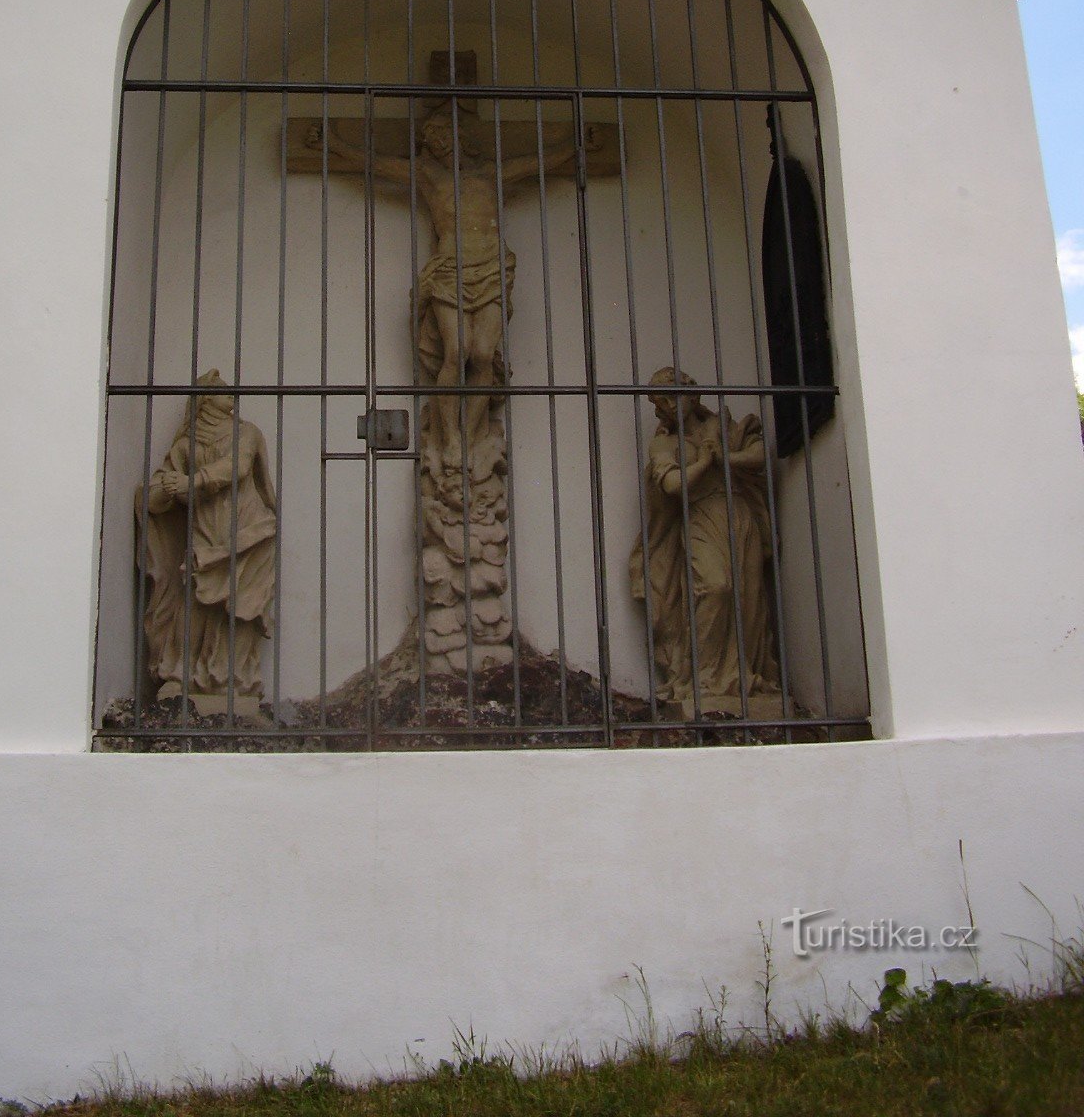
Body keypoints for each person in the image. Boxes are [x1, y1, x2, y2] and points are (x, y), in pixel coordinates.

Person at [309, 105, 593, 472]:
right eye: (432, 139)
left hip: (491, 269)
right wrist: (333, 144)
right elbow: (376, 163)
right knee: (456, 350)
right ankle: (452, 437)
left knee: (482, 355)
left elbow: (537, 162)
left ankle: (469, 433)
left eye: (444, 136)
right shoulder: (427, 174)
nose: (439, 144)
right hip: (448, 271)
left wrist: (575, 146)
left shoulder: (490, 173)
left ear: (461, 139)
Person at [629, 367, 779, 714]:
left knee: (749, 596)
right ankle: (702, 679)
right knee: (716, 587)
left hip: (738, 514)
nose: (662, 409)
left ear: (691, 397)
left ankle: (741, 678)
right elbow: (672, 485)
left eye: (666, 399)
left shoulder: (722, 426)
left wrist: (725, 458)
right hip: (698, 516)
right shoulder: (663, 442)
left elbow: (758, 454)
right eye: (658, 403)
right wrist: (707, 462)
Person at [136, 370, 276, 704]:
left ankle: (233, 677)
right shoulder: (186, 445)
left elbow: (238, 467)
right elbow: (160, 488)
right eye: (223, 391)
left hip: (250, 530)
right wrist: (166, 491)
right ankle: (181, 673)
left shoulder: (247, 433)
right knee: (197, 597)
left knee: (242, 606)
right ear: (204, 399)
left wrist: (192, 481)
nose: (232, 395)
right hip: (206, 530)